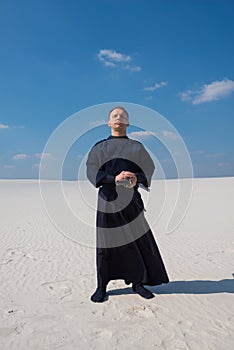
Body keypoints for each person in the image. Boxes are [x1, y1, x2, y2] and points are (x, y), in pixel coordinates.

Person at [86, 106, 169, 302]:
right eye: (114, 116)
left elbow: (149, 167)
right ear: (109, 123)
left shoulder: (137, 147)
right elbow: (91, 169)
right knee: (106, 245)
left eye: (122, 116)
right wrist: (112, 179)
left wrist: (136, 177)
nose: (118, 118)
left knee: (135, 241)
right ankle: (102, 285)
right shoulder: (100, 147)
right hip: (108, 200)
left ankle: (137, 282)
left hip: (131, 200)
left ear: (127, 123)